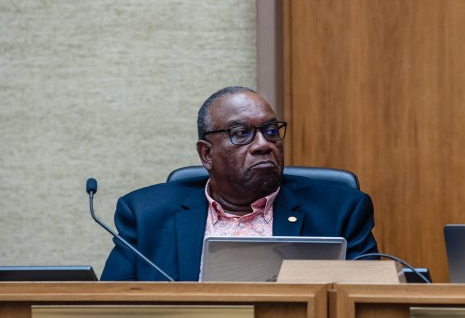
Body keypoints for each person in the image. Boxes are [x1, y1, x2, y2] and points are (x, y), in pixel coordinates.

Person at [101, 86, 378, 281]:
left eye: (271, 131)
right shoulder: (145, 214)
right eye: (242, 133)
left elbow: (366, 302)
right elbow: (112, 305)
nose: (263, 145)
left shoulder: (340, 211)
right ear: (207, 154)